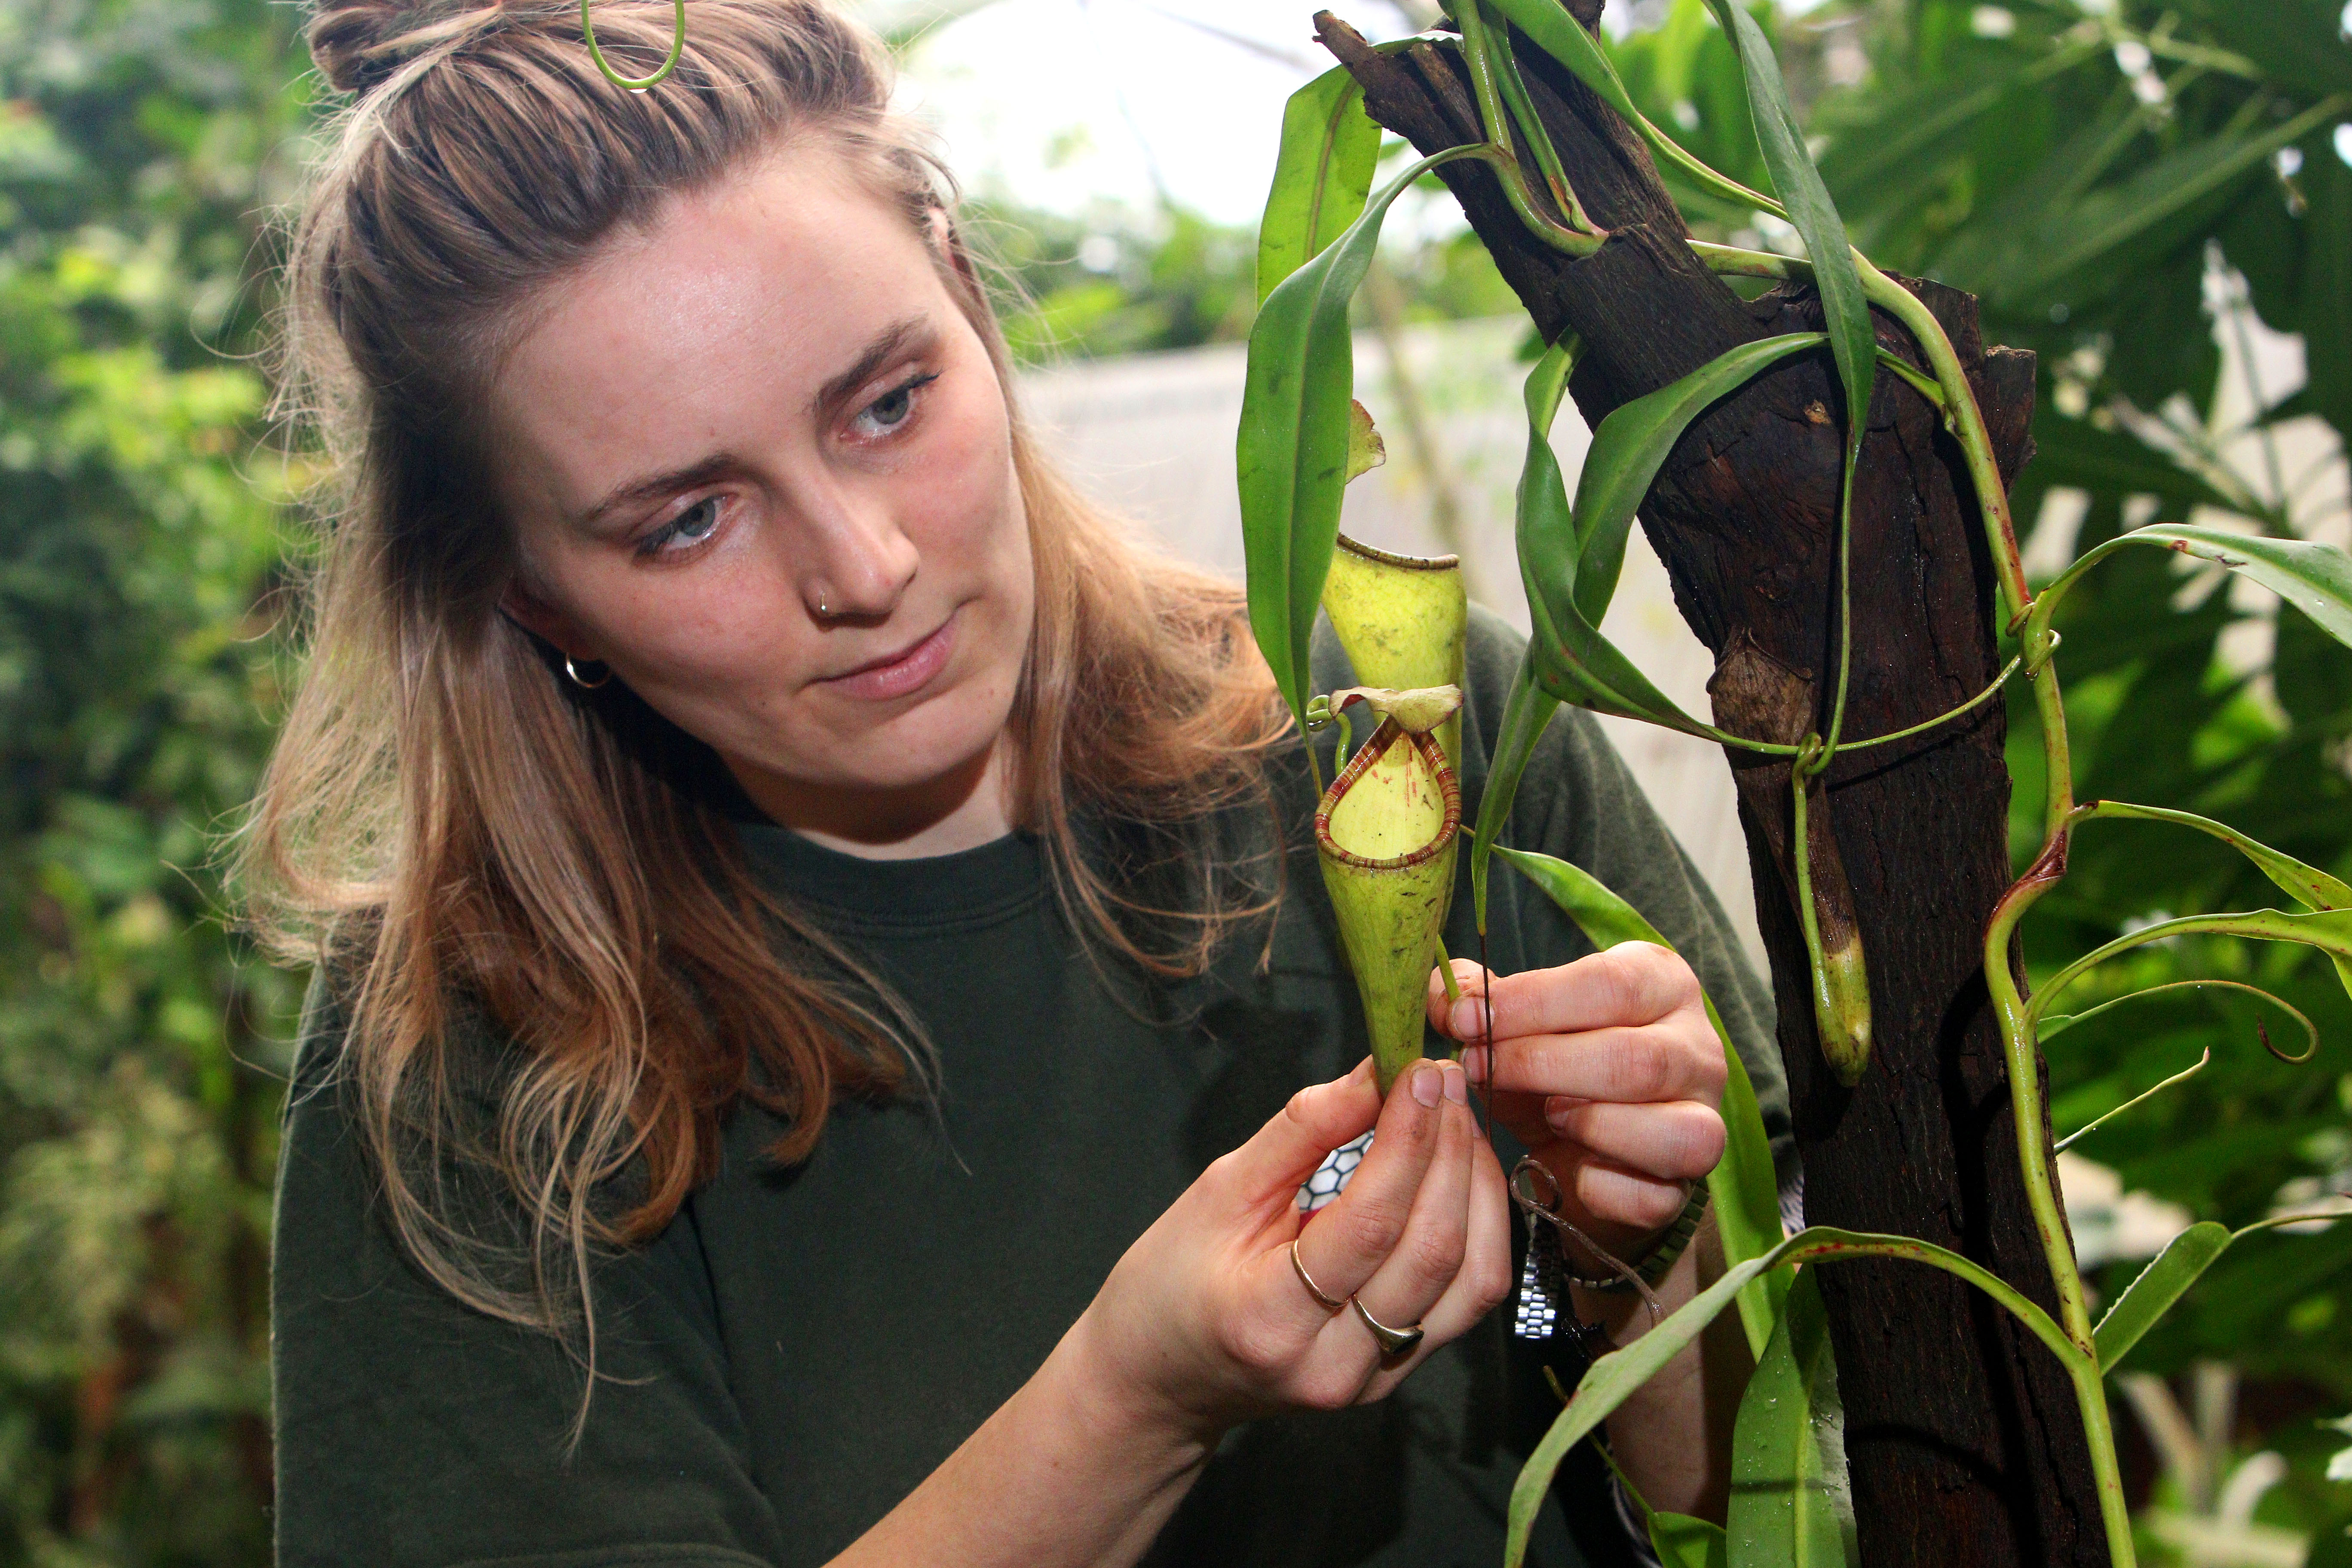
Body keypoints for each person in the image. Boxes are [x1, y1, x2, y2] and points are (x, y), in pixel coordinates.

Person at [241, 2, 1792, 1564]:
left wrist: (1615, 1258)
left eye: (888, 403)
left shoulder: (1411, 739)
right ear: (530, 596)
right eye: (686, 521)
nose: (866, 565)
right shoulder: (465, 1038)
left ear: (970, 308)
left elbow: (1788, 1504)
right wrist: (1134, 1404)